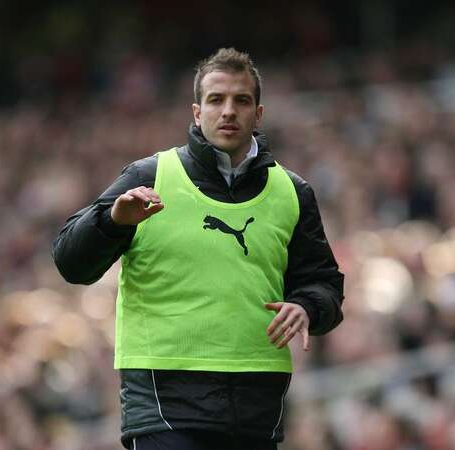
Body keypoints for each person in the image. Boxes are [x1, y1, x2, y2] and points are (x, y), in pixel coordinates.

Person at [53, 48, 344, 450]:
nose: (228, 111)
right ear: (196, 111)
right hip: (164, 401)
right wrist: (112, 222)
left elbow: (325, 284)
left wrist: (307, 306)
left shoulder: (293, 193)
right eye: (216, 100)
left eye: (241, 100)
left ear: (258, 114)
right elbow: (71, 263)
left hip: (255, 404)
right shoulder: (150, 175)